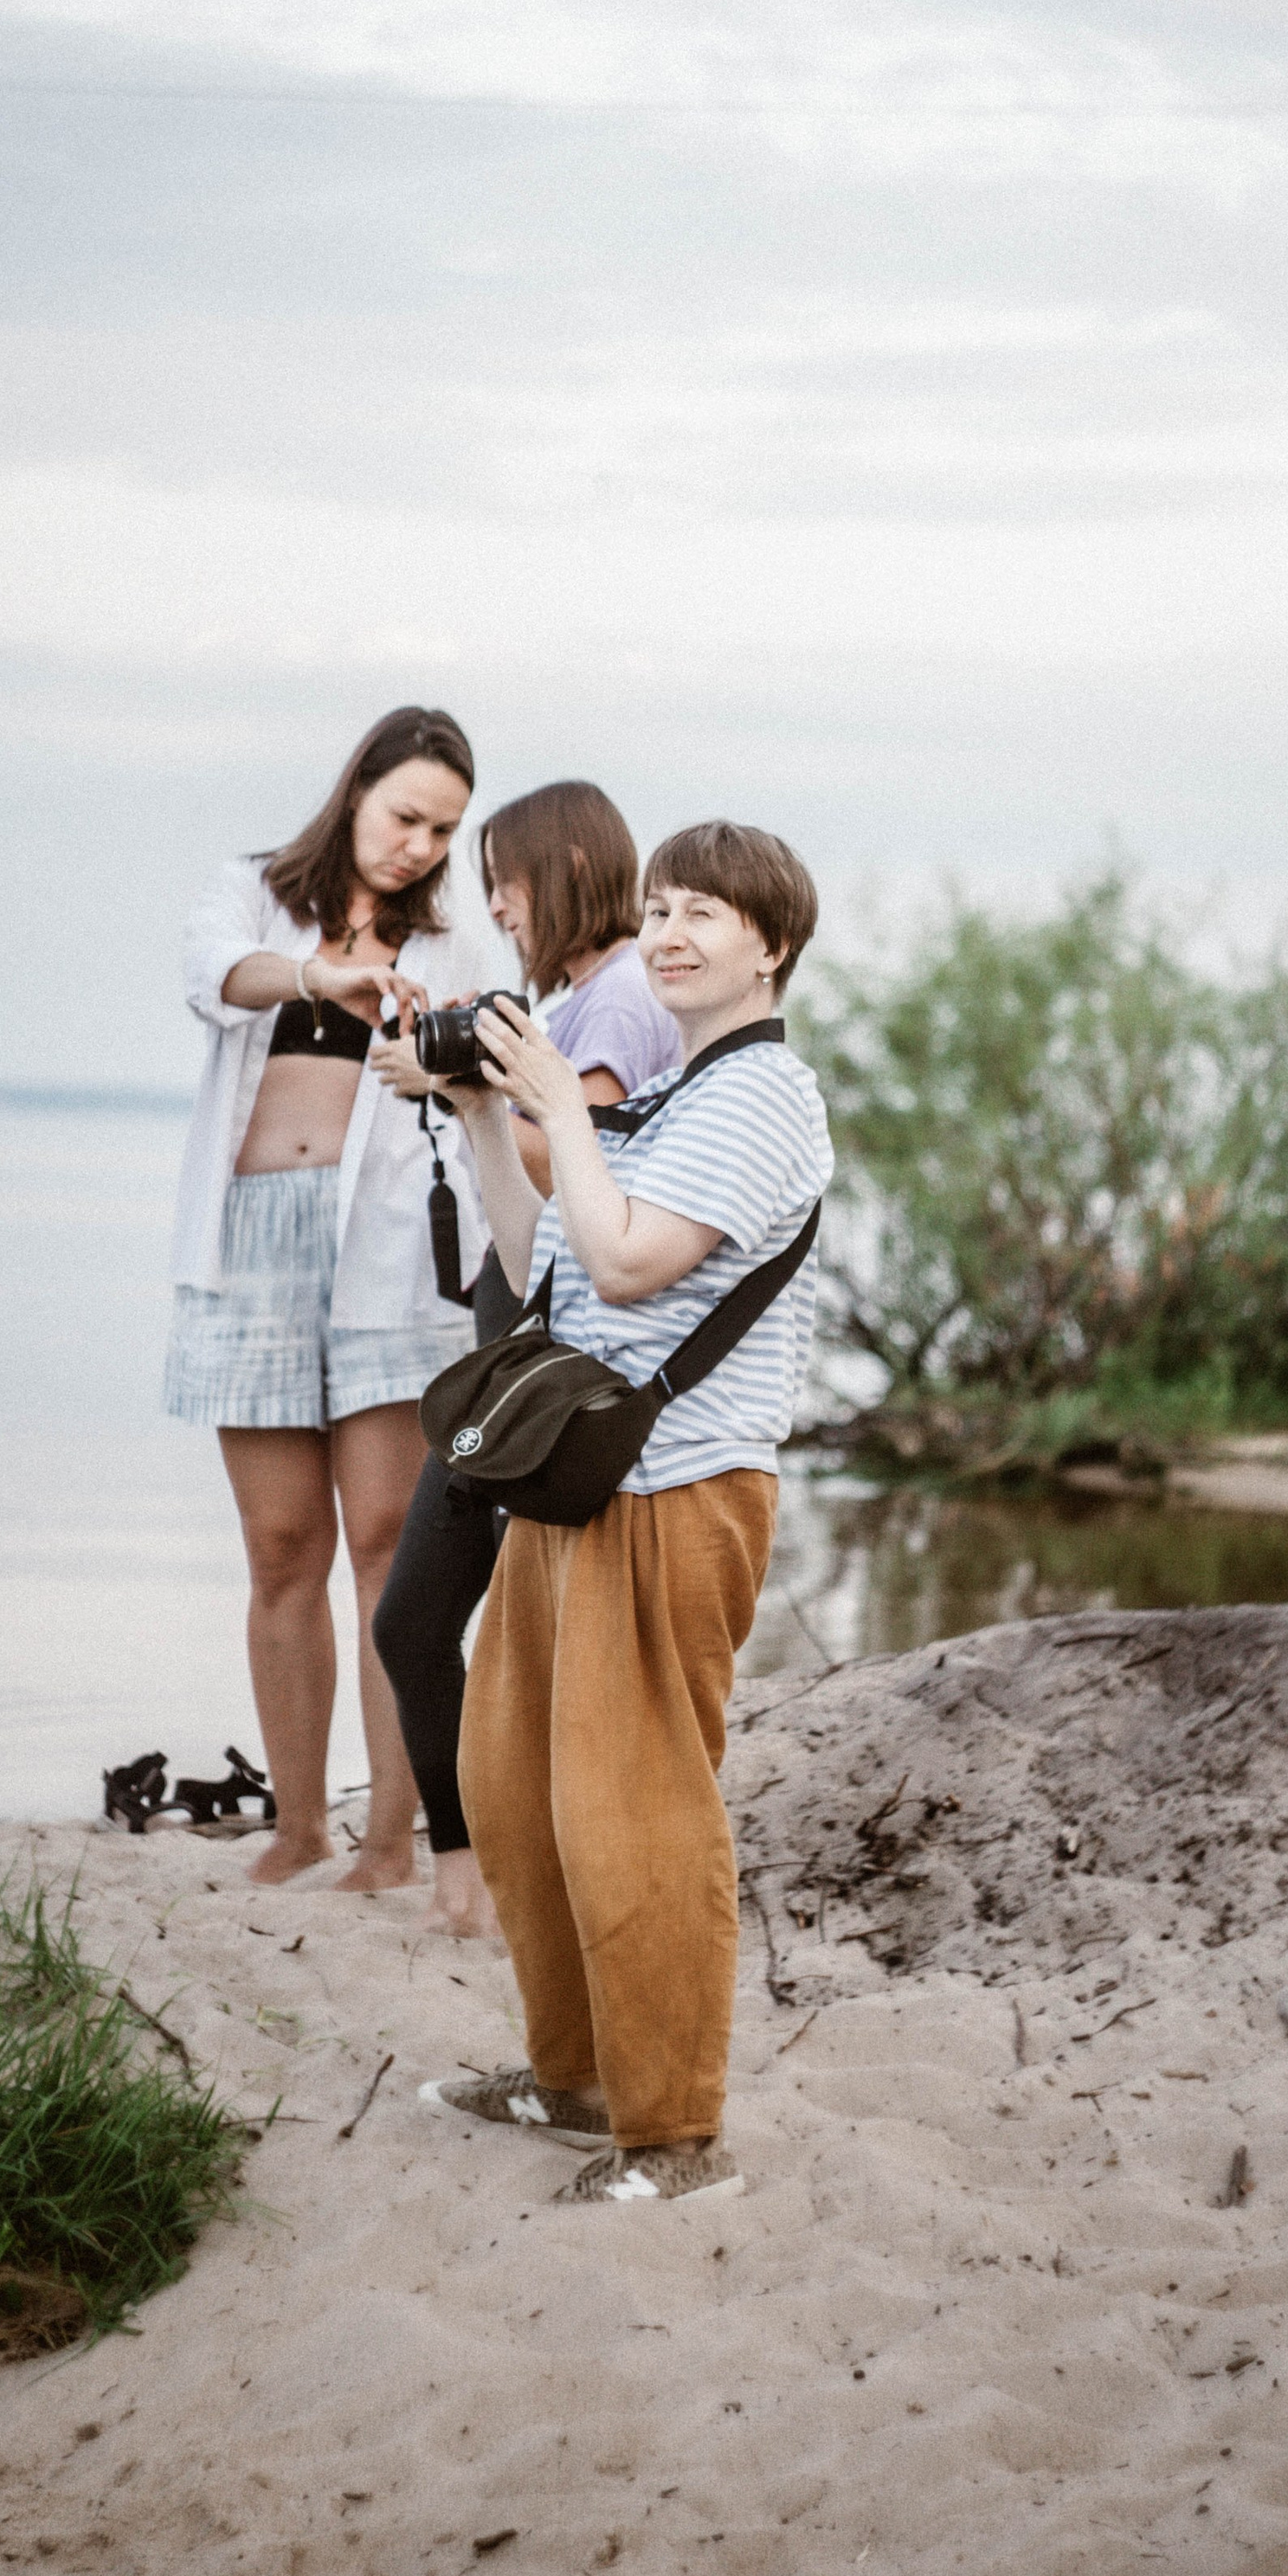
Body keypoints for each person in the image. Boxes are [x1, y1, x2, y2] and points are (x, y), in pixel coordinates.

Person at [418, 820, 832, 2203]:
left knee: (637, 1807)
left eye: (702, 912)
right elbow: (549, 1269)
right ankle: (574, 2078)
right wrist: (486, 1112)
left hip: (681, 1486)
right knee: (518, 1786)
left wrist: (562, 1101)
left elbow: (638, 1262)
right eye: (655, 909)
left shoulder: (763, 1097)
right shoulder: (677, 1094)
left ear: (771, 944)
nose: (666, 933)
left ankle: (674, 2129)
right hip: (579, 1479)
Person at [164, 705, 492, 1890]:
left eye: (442, 831)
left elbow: (485, 1072)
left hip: (389, 1261)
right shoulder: (253, 891)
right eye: (405, 816)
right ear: (357, 791)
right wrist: (322, 973)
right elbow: (213, 979)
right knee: (279, 1546)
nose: (417, 846)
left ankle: (391, 1840)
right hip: (250, 1242)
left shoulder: (453, 946)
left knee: (387, 1547)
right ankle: (298, 1824)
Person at [370, 781, 680, 1941]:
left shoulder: (618, 1004)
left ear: (562, 869)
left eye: (505, 877)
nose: (494, 902)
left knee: (492, 1637)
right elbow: (527, 1204)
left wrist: (477, 1089)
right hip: (509, 1364)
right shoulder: (579, 1004)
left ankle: (497, 1876)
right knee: (417, 1621)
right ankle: (466, 1865)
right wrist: (467, 1090)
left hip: (553, 1379)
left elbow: (574, 1184)